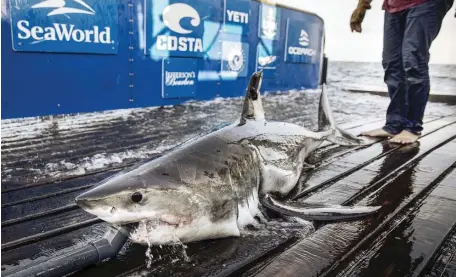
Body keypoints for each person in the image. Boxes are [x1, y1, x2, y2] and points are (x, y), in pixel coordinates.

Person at [350, 0, 454, 144]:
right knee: (391, 63)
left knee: (413, 60)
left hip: (426, 4)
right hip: (393, 6)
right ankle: (394, 124)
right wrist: (361, 5)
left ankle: (412, 127)